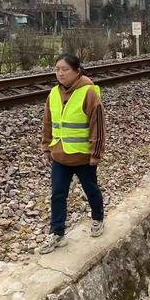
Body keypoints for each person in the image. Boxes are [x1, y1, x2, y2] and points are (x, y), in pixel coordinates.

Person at [39, 53, 105, 254]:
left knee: (91, 189)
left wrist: (96, 152)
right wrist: (46, 146)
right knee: (58, 193)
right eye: (57, 69)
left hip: (83, 156)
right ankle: (57, 233)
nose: (60, 73)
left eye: (65, 69)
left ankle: (97, 218)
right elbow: (48, 122)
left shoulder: (89, 93)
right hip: (59, 155)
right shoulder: (53, 94)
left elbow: (98, 124)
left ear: (77, 71)